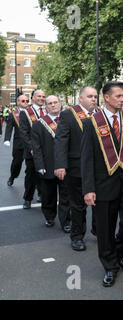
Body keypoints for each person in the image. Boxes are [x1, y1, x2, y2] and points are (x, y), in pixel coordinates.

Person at [81, 81, 123, 287]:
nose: (122, 99)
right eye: (119, 96)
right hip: (103, 185)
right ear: (107, 97)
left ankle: (117, 251)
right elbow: (86, 158)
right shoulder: (91, 122)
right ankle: (110, 266)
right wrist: (88, 189)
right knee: (105, 229)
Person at [54, 86, 99, 251]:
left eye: (95, 96)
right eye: (90, 96)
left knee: (99, 203)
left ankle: (98, 230)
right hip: (76, 167)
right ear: (81, 98)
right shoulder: (68, 114)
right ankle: (77, 236)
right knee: (78, 204)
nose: (93, 99)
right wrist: (60, 164)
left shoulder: (99, 115)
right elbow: (61, 139)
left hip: (97, 169)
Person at [31, 96, 71, 231]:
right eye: (50, 103)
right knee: (48, 195)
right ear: (46, 107)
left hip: (66, 165)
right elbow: (36, 148)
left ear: (60, 104)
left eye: (55, 102)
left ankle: (66, 221)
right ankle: (49, 216)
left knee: (66, 195)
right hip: (47, 165)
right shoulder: (38, 124)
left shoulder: (68, 122)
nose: (53, 105)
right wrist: (39, 166)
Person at [19, 89, 45, 209]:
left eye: (43, 96)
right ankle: (28, 198)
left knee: (44, 174)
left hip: (46, 149)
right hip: (32, 150)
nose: (41, 98)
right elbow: (24, 133)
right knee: (31, 175)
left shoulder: (48, 110)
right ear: (33, 98)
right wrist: (32, 148)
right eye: (38, 96)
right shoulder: (25, 112)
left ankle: (42, 194)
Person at [4, 95, 28, 187]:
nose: (25, 102)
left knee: (33, 165)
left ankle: (36, 184)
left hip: (32, 143)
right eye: (23, 101)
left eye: (26, 100)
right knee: (16, 163)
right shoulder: (13, 114)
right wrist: (7, 139)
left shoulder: (32, 113)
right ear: (18, 102)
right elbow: (9, 128)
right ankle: (12, 177)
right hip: (19, 143)